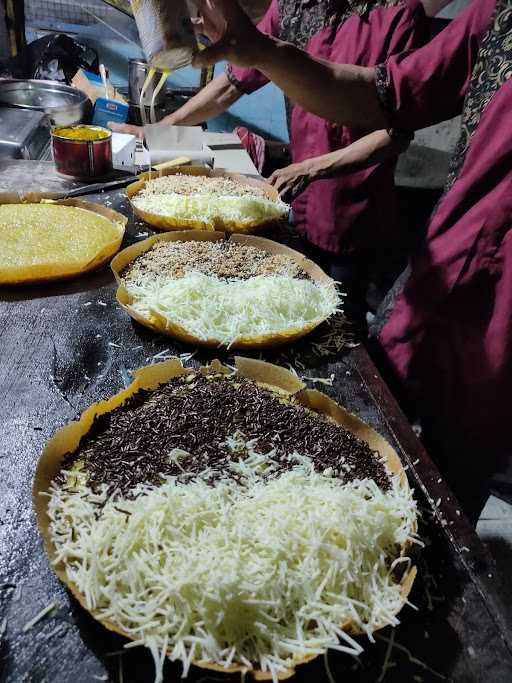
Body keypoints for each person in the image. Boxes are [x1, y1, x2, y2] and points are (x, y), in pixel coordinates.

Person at [193, 0, 512, 524]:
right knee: (375, 433)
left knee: (450, 490)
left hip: (371, 231)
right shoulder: (494, 13)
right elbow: (389, 92)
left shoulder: (396, 13)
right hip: (438, 289)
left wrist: (317, 164)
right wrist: (261, 53)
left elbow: (392, 126)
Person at [114, 1, 432, 322]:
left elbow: (396, 132)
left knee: (338, 319)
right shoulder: (297, 7)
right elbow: (230, 85)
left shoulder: (400, 14)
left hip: (355, 214)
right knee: (286, 307)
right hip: (299, 202)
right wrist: (155, 133)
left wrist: (314, 167)